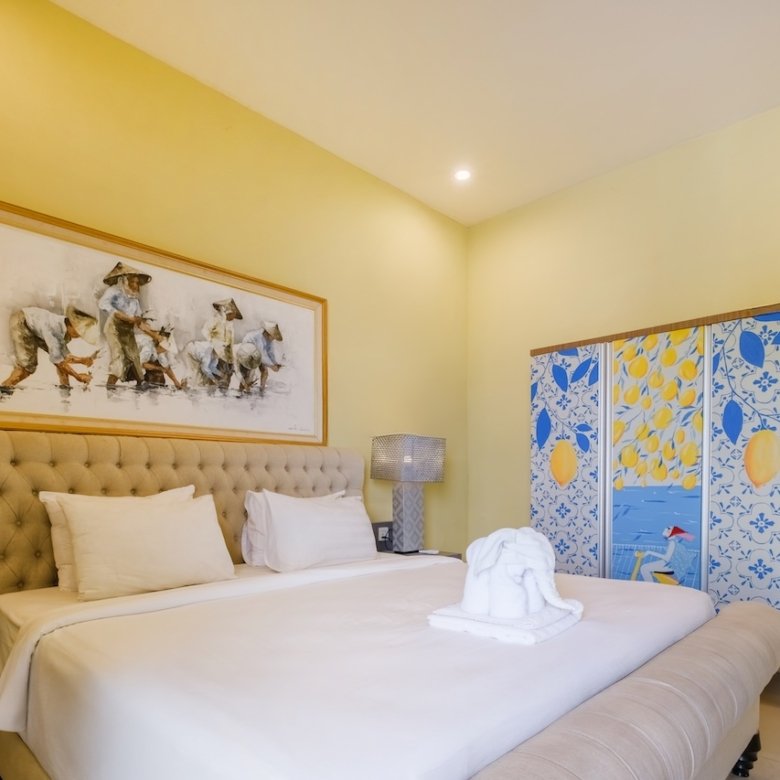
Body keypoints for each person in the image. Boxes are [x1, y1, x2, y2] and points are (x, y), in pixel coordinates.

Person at [0, 304, 99, 391]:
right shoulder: (54, 332)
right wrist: (78, 377)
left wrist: (83, 360)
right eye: (79, 333)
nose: (79, 336)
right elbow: (58, 361)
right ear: (71, 326)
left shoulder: (62, 327)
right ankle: (5, 387)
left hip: (33, 324)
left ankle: (65, 388)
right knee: (27, 368)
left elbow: (65, 357)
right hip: (22, 321)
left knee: (61, 360)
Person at [98, 262, 159, 388]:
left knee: (134, 356)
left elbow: (139, 323)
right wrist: (124, 316)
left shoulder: (135, 301)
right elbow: (104, 304)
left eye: (137, 283)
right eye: (133, 282)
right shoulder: (113, 291)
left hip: (128, 331)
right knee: (119, 356)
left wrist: (154, 335)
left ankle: (141, 382)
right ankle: (110, 386)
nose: (136, 286)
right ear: (125, 280)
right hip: (114, 328)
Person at [201, 298, 242, 391]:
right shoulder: (215, 320)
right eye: (232, 314)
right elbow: (205, 331)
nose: (233, 317)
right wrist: (213, 342)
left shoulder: (230, 325)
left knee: (227, 377)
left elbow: (231, 342)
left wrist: (232, 357)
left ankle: (223, 395)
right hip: (217, 353)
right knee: (216, 378)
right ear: (228, 313)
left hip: (228, 356)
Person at [135, 318, 184, 390]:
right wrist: (158, 368)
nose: (164, 350)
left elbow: (167, 368)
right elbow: (141, 364)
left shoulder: (160, 354)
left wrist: (175, 381)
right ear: (159, 345)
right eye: (163, 348)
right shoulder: (148, 347)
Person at [234, 321, 283, 392]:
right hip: (247, 354)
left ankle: (262, 389)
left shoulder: (269, 340)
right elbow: (262, 355)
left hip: (257, 355)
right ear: (268, 333)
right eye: (273, 336)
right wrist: (272, 366)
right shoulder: (258, 336)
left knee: (265, 371)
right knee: (249, 375)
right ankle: (242, 391)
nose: (274, 339)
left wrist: (275, 363)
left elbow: (270, 352)